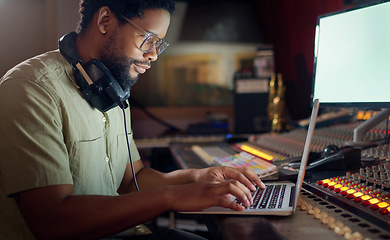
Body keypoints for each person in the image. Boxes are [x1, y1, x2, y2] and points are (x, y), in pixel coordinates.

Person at [0, 0, 265, 239]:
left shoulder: (112, 87)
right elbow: (53, 221)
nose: (153, 55)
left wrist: (196, 178)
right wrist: (173, 196)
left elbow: (132, 180)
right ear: (105, 20)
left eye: (159, 43)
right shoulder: (31, 89)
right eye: (148, 38)